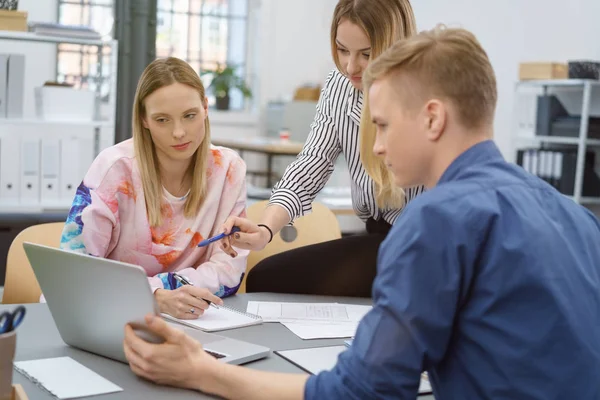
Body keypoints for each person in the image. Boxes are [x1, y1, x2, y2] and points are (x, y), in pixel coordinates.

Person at [123, 26, 600, 399]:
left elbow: (360, 392)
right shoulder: (576, 215)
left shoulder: (436, 220)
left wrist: (203, 373)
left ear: (433, 118)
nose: (378, 145)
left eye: (384, 125)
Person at [219, 0, 425, 297]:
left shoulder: (425, 92)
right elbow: (311, 165)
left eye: (366, 54)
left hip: (423, 247)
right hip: (378, 237)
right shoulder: (339, 85)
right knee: (266, 278)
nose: (350, 66)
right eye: (342, 50)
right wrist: (264, 229)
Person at [58, 57, 250, 319]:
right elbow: (73, 274)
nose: (179, 132)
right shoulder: (114, 170)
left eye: (190, 116)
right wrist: (155, 297)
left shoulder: (228, 169)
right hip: (114, 318)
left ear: (205, 108)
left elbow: (229, 273)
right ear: (144, 119)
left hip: (194, 320)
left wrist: (165, 293)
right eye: (162, 120)